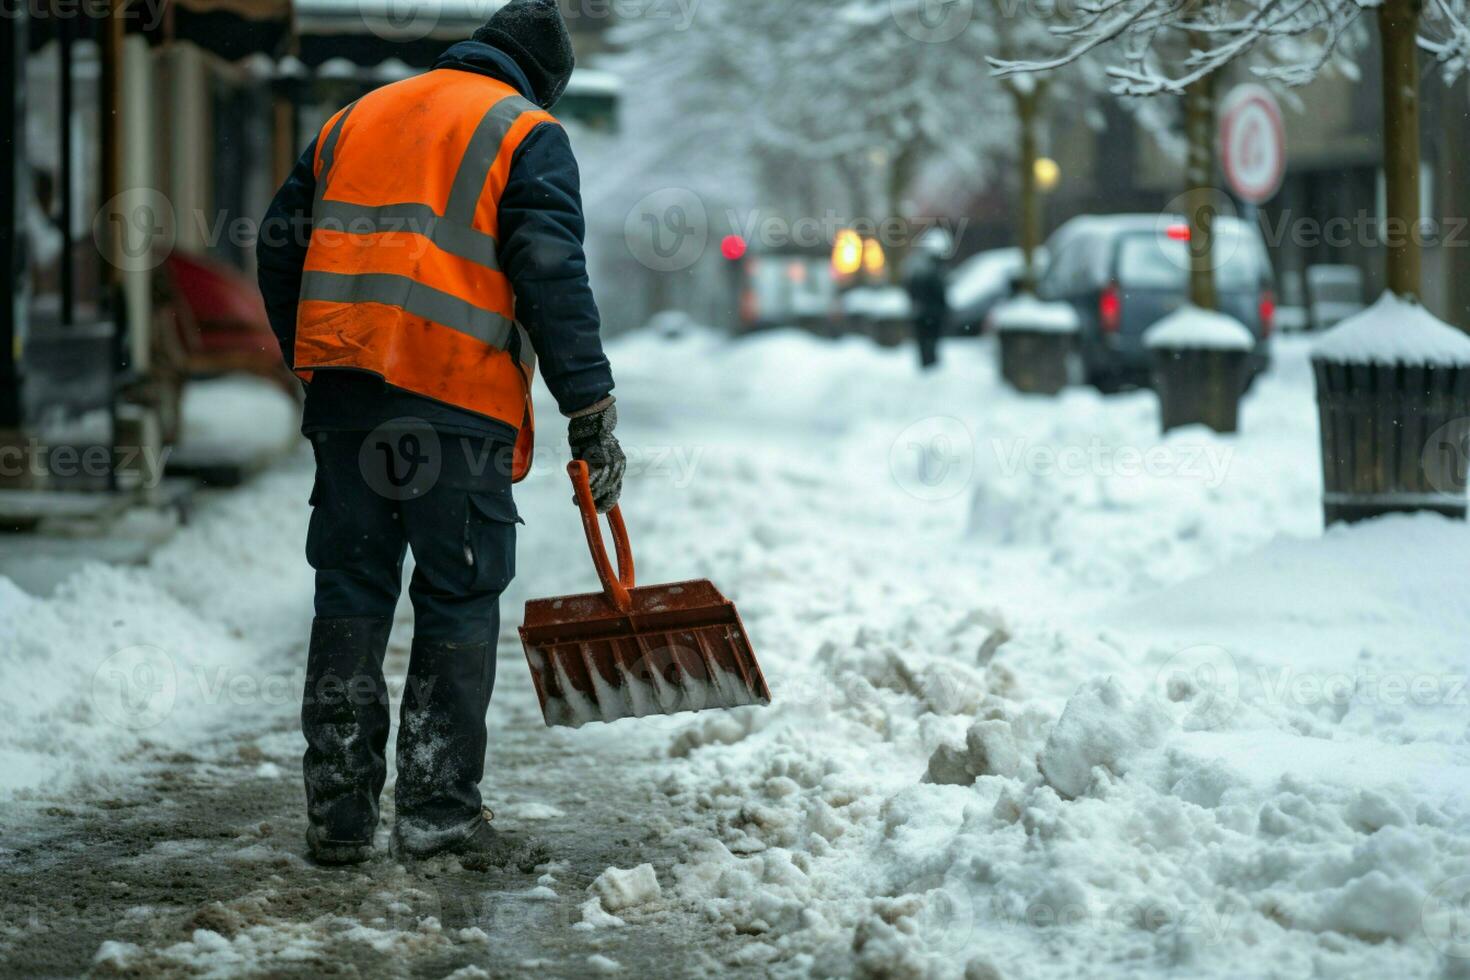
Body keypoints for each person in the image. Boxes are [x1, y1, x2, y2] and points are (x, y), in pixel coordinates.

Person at [255, 0, 625, 868]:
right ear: (546, 83)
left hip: (348, 399)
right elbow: (548, 271)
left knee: (349, 589)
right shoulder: (525, 132)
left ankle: (340, 814)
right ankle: (438, 810)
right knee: (457, 593)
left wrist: (314, 353)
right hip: (452, 405)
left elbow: (278, 243)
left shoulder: (357, 115)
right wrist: (590, 406)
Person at [904, 228, 953, 369]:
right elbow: (938, 291)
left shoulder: (917, 266)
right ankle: (929, 368)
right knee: (929, 343)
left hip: (925, 313)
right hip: (929, 313)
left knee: (928, 343)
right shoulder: (930, 268)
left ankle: (929, 367)